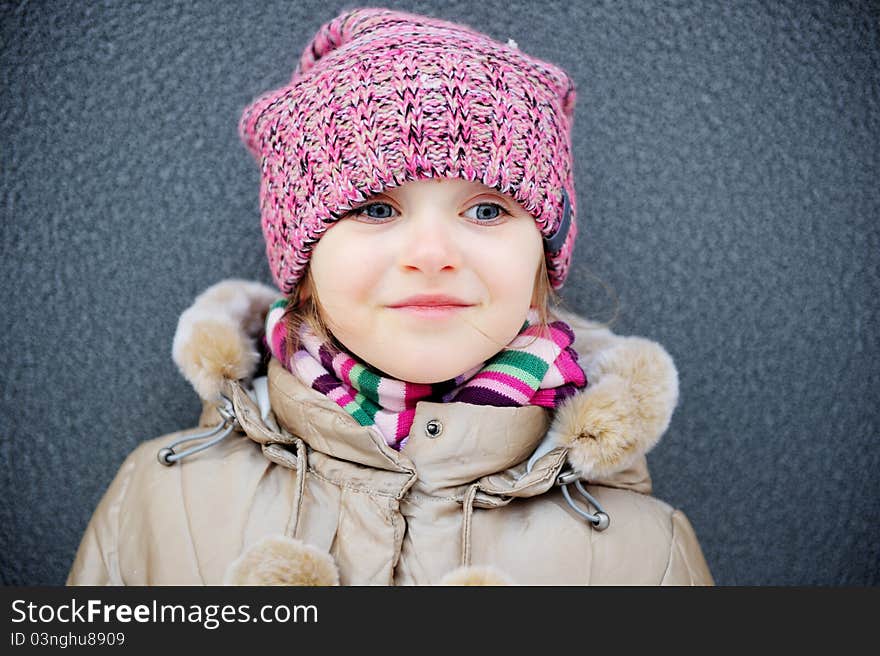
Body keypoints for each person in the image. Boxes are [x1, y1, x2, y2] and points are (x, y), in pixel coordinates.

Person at [67, 7, 713, 586]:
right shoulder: (157, 503)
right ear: (304, 255)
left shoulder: (646, 555)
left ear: (542, 256)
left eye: (487, 210)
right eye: (376, 208)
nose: (432, 254)